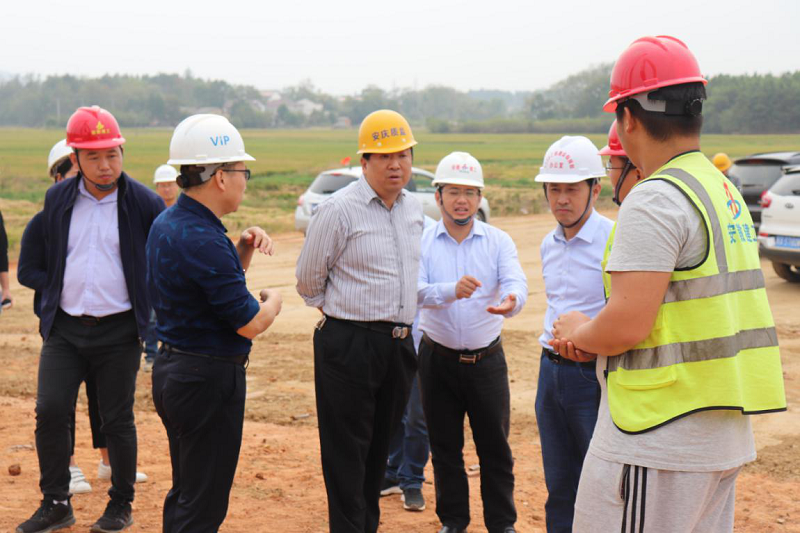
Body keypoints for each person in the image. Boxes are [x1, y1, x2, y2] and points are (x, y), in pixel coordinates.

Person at [550, 35, 786, 532]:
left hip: (657, 437)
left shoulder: (657, 196)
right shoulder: (720, 189)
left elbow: (626, 325)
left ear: (629, 118)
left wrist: (579, 332)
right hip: (717, 432)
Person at [16, 106, 165, 533]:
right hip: (65, 329)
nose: (105, 166)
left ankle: (120, 504)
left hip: (120, 330)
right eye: (94, 157)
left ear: (122, 153)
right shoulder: (58, 199)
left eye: (112, 155)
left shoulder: (145, 203)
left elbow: (162, 260)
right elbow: (41, 259)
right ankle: (56, 502)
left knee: (116, 419)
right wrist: (55, 288)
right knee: (50, 411)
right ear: (75, 158)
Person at [149, 113, 282, 533]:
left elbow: (210, 291)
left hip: (175, 371)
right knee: (203, 505)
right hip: (206, 381)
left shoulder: (172, 223)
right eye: (243, 172)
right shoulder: (203, 239)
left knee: (187, 491)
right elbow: (249, 323)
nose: (245, 181)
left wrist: (241, 249)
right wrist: (274, 302)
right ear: (221, 177)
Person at [296, 109, 423, 533]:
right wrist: (345, 318)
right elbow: (308, 280)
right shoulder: (338, 210)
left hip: (399, 345)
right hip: (350, 344)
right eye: (384, 156)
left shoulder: (413, 209)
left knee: (379, 452)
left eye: (403, 155)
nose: (395, 165)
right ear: (364, 161)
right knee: (346, 455)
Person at [417, 151, 527, 533]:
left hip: (486, 362)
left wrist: (513, 300)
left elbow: (515, 281)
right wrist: (451, 290)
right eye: (453, 192)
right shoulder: (423, 242)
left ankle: (502, 524)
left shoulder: (498, 241)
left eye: (469, 192)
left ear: (480, 197)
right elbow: (414, 291)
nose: (461, 200)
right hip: (437, 360)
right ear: (438, 196)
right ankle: (453, 522)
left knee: (495, 448)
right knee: (445, 447)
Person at [534, 136, 612, 533]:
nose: (561, 199)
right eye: (554, 189)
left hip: (591, 376)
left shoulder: (613, 241)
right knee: (559, 482)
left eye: (572, 189)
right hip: (550, 372)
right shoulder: (548, 244)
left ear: (595, 189)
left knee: (599, 482)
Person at [380, 216, 435, 513]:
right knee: (394, 413)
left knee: (417, 417)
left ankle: (412, 480)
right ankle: (393, 473)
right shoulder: (378, 227)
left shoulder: (429, 229)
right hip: (391, 341)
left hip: (423, 343)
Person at [142, 164, 180, 372]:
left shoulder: (184, 211)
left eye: (170, 184)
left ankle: (172, 353)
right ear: (157, 188)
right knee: (151, 317)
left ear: (177, 185)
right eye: (162, 185)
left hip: (177, 270)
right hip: (154, 270)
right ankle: (151, 355)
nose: (167, 189)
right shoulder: (150, 212)